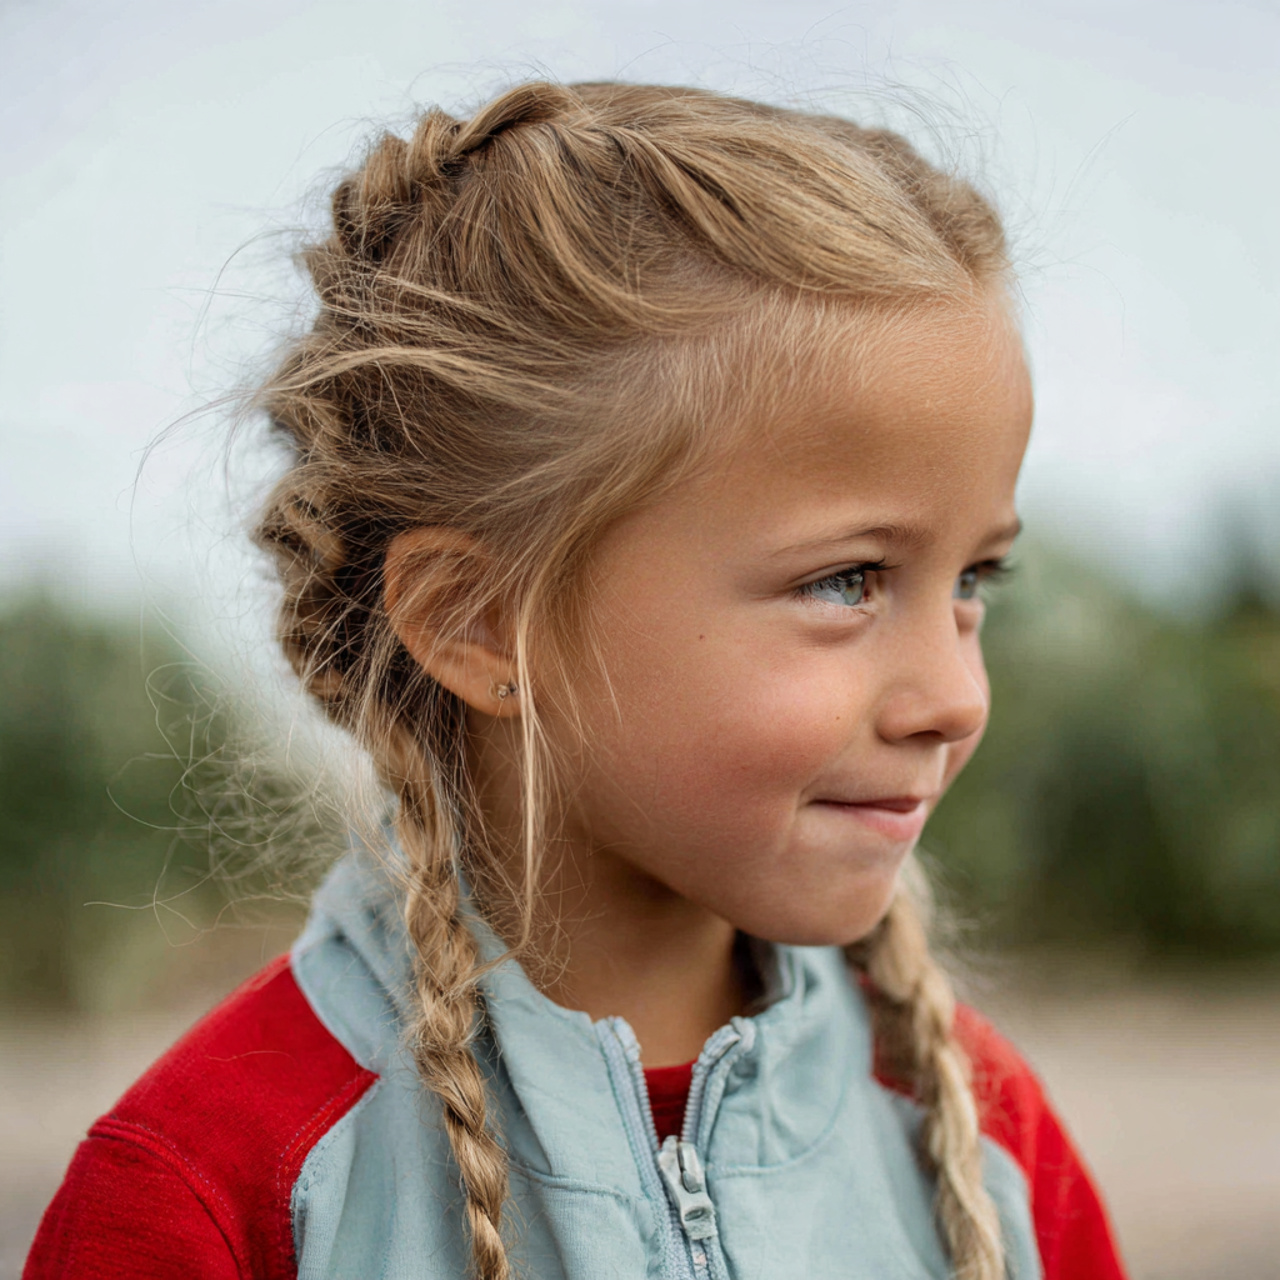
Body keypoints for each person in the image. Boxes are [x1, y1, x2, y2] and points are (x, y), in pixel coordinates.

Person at [25, 80, 1127, 1280]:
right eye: (845, 581)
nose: (955, 696)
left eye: (975, 579)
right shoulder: (211, 1190)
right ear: (481, 622)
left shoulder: (978, 1145)